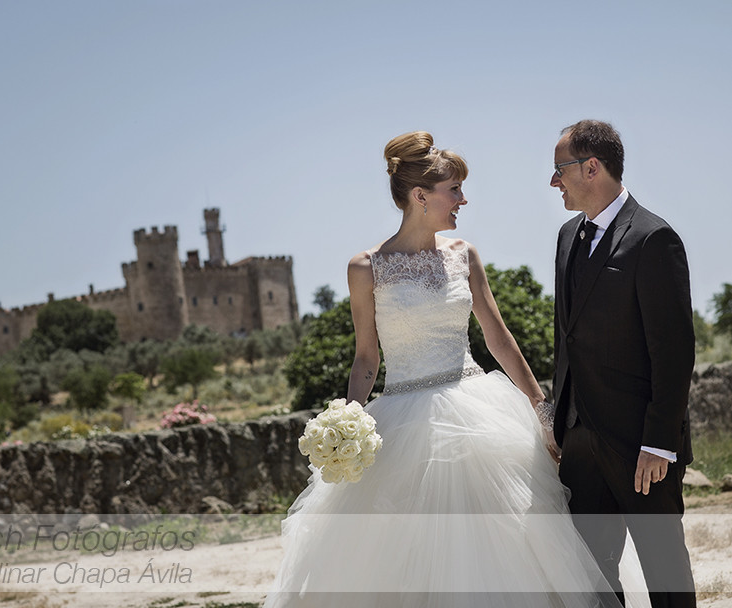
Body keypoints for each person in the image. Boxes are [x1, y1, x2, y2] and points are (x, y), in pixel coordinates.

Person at [263, 131, 643, 608]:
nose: (463, 199)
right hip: (400, 421)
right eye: (454, 190)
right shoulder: (366, 268)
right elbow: (366, 358)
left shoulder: (465, 255)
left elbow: (498, 339)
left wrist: (541, 407)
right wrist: (350, 422)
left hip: (476, 411)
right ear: (421, 196)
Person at [550, 120, 696, 608]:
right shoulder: (567, 236)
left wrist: (659, 441)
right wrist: (560, 422)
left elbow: (674, 353)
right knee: (592, 577)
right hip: (579, 441)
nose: (554, 182)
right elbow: (565, 339)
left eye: (560, 170)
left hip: (642, 449)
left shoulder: (654, 239)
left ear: (591, 167)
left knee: (665, 574)